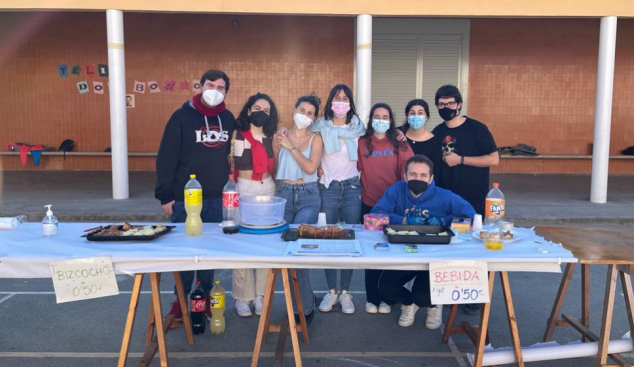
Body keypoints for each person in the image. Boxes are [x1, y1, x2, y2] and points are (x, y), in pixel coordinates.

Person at [155, 69, 235, 322]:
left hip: (216, 199)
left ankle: (206, 300)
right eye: (210, 85)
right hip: (185, 199)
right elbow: (166, 157)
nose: (214, 91)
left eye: (221, 88)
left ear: (225, 93)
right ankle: (180, 301)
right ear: (200, 86)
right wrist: (166, 196)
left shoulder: (228, 118)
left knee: (209, 254)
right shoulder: (181, 117)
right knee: (184, 254)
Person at [372, 155, 476, 329]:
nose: (417, 179)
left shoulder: (444, 196)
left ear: (431, 178)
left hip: (434, 257)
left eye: (423, 175)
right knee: (385, 288)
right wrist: (404, 221)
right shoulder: (396, 190)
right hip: (403, 253)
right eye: (413, 174)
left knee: (424, 297)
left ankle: (434, 305)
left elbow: (471, 216)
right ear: (405, 176)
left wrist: (445, 220)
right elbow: (376, 214)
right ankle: (408, 304)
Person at [431, 85, 499, 315]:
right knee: (449, 247)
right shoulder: (437, 131)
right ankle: (451, 292)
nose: (446, 107)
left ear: (459, 104)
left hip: (474, 199)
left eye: (450, 103)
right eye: (441, 104)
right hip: (446, 200)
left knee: (476, 248)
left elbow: (494, 159)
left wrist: (461, 160)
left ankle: (474, 297)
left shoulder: (477, 129)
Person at [310, 84, 365, 314]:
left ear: (350, 103)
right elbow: (307, 150)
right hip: (328, 188)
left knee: (349, 238)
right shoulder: (319, 127)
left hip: (352, 187)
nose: (341, 102)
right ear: (330, 102)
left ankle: (346, 292)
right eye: (337, 98)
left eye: (345, 98)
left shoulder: (359, 128)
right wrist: (315, 172)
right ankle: (331, 291)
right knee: (329, 239)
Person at [357, 103, 413, 315]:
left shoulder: (399, 142)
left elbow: (407, 173)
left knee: (391, 252)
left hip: (393, 207)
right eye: (377, 116)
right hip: (370, 205)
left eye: (385, 117)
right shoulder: (362, 142)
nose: (381, 120)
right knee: (372, 251)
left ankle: (387, 299)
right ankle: (372, 297)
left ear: (391, 120)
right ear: (371, 119)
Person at [275, 94, 324, 324]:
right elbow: (275, 164)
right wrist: (283, 140)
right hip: (284, 194)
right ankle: (301, 299)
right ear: (294, 109)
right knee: (282, 248)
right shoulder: (281, 135)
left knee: (297, 246)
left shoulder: (316, 139)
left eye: (310, 113)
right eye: (301, 110)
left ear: (315, 118)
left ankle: (303, 307)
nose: (304, 115)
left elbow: (310, 168)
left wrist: (292, 147)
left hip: (308, 195)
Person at [232, 93, 279, 317]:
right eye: (257, 108)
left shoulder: (272, 138)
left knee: (264, 245)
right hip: (244, 189)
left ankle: (261, 295)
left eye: (266, 110)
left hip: (267, 188)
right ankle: (243, 298)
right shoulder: (237, 136)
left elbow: (276, 166)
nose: (261, 113)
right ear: (249, 111)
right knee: (241, 244)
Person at [400, 99, 442, 179]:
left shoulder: (435, 142)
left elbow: (436, 173)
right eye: (412, 113)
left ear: (426, 117)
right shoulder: (398, 135)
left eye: (420, 113)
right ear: (407, 116)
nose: (416, 116)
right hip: (399, 187)